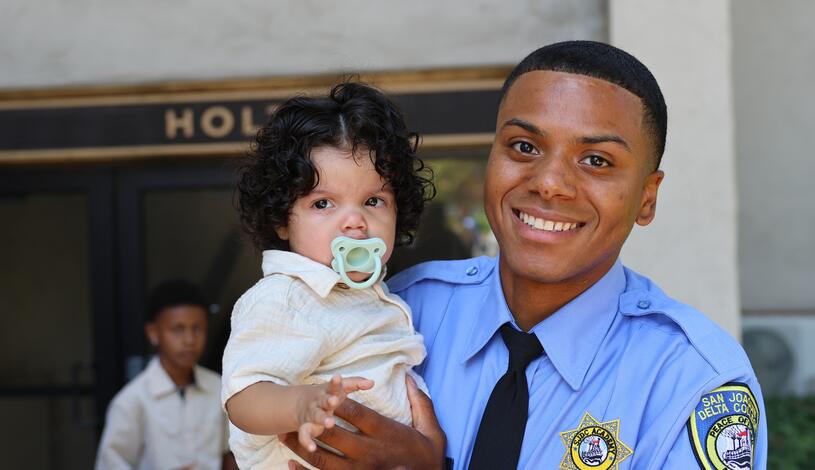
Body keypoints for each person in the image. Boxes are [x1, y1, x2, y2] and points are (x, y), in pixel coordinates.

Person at [281, 41, 767, 470]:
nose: (550, 182)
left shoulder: (693, 380)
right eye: (524, 146)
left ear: (647, 197)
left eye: (596, 160)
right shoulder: (396, 313)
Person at [222, 81, 437, 469]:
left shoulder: (374, 296)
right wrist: (304, 403)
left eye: (373, 201)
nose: (354, 221)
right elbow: (244, 399)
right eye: (323, 203)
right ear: (281, 220)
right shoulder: (285, 297)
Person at [95, 279, 235, 470]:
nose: (189, 340)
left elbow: (230, 453)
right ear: (153, 333)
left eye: (197, 328)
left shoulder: (219, 388)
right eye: (178, 329)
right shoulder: (132, 402)